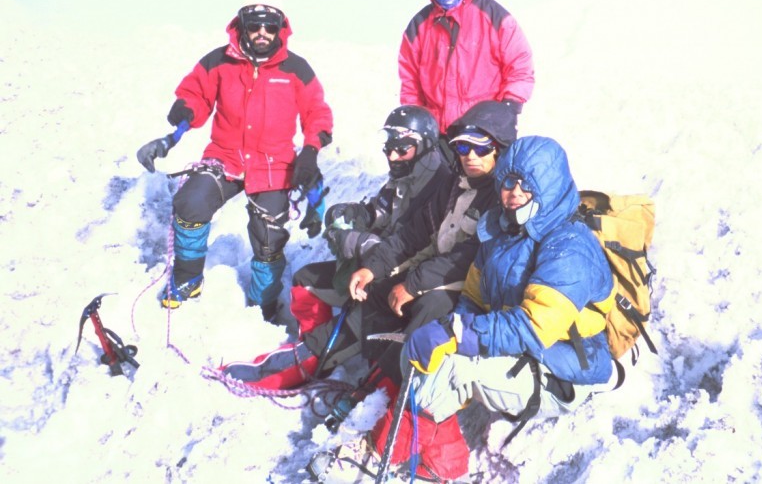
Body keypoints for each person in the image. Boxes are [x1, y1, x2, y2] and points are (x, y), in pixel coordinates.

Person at [219, 100, 517, 399]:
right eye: (463, 148)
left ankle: (379, 395)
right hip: (420, 273)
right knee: (326, 286)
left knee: (401, 315)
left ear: (499, 150)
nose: (470, 156)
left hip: (454, 289)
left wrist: (406, 280)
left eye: (480, 148)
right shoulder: (455, 184)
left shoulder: (495, 196)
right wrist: (371, 263)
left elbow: (467, 257)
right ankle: (320, 359)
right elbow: (412, 233)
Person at [366, 136, 617, 481]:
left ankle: (392, 454)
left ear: (550, 185)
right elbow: (473, 297)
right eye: (508, 181)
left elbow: (531, 328)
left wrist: (457, 335)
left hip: (562, 367)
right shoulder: (501, 231)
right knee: (439, 356)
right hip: (523, 353)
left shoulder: (570, 249)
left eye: (527, 184)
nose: (513, 192)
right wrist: (452, 328)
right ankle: (434, 453)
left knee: (454, 367)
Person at [136, 0, 333, 320]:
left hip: (273, 165)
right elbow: (196, 94)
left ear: (281, 28)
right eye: (254, 25)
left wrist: (311, 151)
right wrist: (185, 111)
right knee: (191, 202)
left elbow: (318, 113)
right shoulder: (219, 61)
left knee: (269, 238)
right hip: (224, 157)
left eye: (270, 26)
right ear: (241, 25)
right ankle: (186, 281)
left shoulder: (296, 69)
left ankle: (264, 301)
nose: (261, 33)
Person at [290, 105, 452, 349]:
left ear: (425, 146)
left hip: (396, 280)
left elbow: (421, 247)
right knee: (304, 281)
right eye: (389, 147)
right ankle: (313, 349)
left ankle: (315, 354)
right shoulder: (403, 176)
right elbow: (379, 212)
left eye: (402, 149)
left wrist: (364, 245)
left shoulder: (440, 188)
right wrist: (352, 215)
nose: (392, 156)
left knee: (357, 324)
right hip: (373, 266)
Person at [398, 0, 534, 138]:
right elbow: (410, 82)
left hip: (485, 132)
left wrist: (508, 108)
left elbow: (520, 65)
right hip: (437, 133)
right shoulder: (419, 26)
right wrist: (417, 121)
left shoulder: (492, 16)